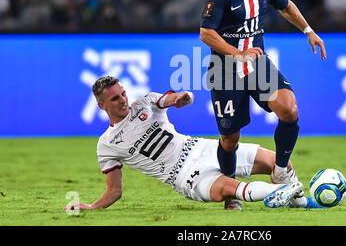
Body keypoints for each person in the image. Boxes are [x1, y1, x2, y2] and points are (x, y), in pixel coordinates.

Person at [64, 76, 322, 212]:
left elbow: (169, 99)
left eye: (122, 94)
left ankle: (299, 203)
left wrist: (182, 98)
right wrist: (91, 206)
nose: (122, 100)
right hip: (185, 175)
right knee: (232, 188)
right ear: (101, 105)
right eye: (114, 99)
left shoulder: (144, 103)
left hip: (201, 148)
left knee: (279, 162)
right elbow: (114, 191)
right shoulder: (106, 145)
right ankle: (277, 193)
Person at [199, 0, 326, 210]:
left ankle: (280, 170)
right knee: (230, 140)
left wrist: (309, 31)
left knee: (289, 110)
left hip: (258, 66)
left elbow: (286, 5)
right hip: (225, 71)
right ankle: (231, 191)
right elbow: (206, 33)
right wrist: (237, 54)